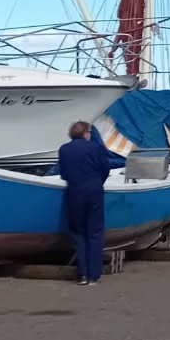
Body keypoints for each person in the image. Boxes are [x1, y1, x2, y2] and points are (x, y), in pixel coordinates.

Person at [57, 120, 112, 285]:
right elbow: (106, 168)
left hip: (74, 192)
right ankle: (94, 275)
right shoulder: (96, 147)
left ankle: (82, 274)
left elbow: (64, 174)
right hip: (94, 190)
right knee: (95, 232)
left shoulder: (64, 149)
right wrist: (97, 182)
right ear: (86, 133)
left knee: (78, 232)